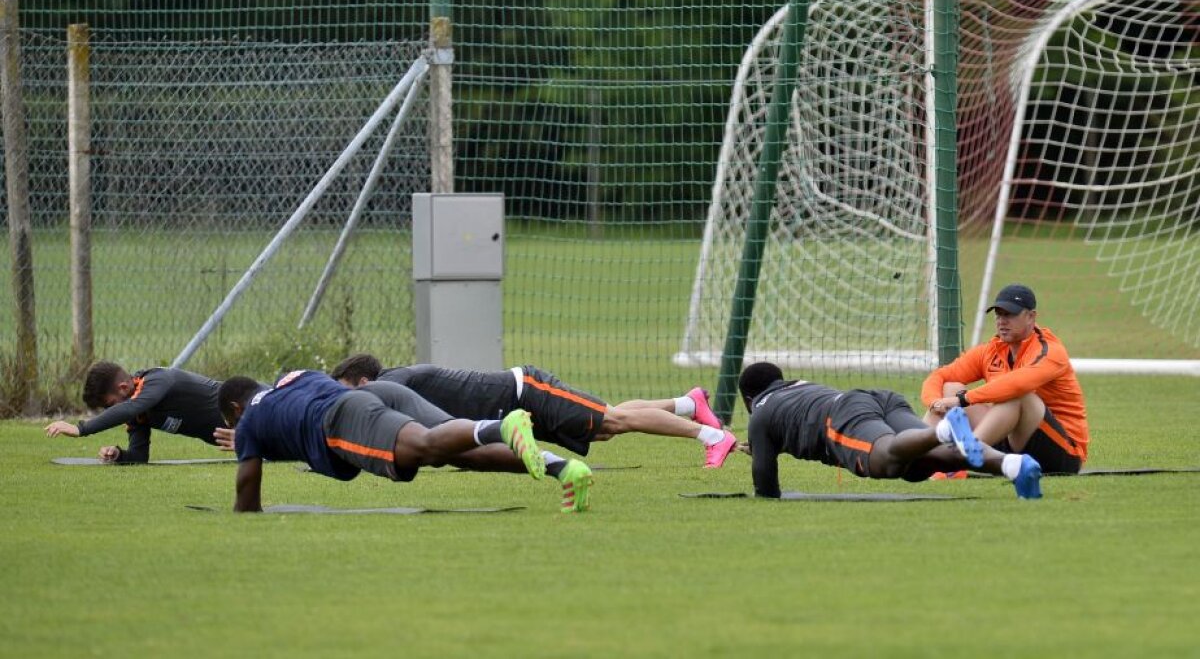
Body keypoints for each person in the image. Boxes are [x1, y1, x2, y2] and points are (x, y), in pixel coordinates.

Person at [220, 369, 595, 513]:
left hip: (343, 417)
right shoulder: (290, 379)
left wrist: (246, 445)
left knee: (426, 446)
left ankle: (501, 427)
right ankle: (564, 469)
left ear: (236, 409)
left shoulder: (249, 422)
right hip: (377, 392)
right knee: (458, 450)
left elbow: (247, 501)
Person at [329, 354, 738, 469]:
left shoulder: (392, 382)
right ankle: (690, 404)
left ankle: (714, 437)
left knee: (613, 420)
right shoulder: (394, 386)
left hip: (526, 391)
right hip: (517, 406)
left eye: (345, 393)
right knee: (605, 426)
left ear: (364, 383)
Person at [737, 362, 1043, 499]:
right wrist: (770, 444)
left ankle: (942, 430)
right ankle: (1013, 465)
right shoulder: (799, 387)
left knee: (886, 461)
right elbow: (794, 424)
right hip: (877, 399)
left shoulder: (760, 413)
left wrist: (762, 449)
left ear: (749, 400)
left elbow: (766, 486)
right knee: (921, 464)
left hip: (843, 414)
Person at [921, 283, 1088, 475]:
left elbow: (1017, 384)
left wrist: (962, 399)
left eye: (1010, 314)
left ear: (1031, 316)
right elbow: (940, 376)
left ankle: (959, 460)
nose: (1002, 321)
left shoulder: (1050, 351)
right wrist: (934, 402)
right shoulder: (991, 350)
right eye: (998, 314)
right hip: (1011, 443)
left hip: (1064, 453)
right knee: (950, 387)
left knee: (1018, 396)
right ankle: (920, 459)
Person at [44, 361, 234, 463]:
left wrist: (81, 429)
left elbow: (130, 408)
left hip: (250, 407)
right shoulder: (137, 414)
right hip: (244, 438)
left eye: (111, 405)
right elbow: (139, 456)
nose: (113, 411)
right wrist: (118, 455)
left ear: (123, 387)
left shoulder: (158, 380)